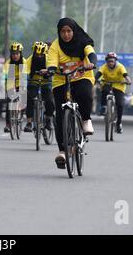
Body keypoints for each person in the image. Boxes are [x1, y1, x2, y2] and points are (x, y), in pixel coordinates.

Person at [47, 18, 97, 169]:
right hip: (61, 80)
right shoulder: (55, 46)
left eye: (69, 31)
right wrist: (50, 68)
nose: (66, 35)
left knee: (85, 94)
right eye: (63, 31)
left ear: (74, 31)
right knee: (60, 116)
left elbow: (91, 53)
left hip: (82, 76)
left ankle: (86, 120)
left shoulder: (83, 41)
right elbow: (52, 61)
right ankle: (62, 151)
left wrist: (91, 62)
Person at [94, 52, 132, 134]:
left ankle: (118, 123)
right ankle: (104, 106)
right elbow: (97, 75)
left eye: (112, 61)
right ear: (106, 62)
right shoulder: (103, 67)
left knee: (120, 104)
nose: (110, 63)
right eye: (108, 61)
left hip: (119, 85)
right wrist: (93, 80)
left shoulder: (120, 67)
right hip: (107, 83)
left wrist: (128, 80)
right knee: (104, 91)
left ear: (115, 61)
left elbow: (126, 75)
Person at [24, 41, 55, 132]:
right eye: (37, 54)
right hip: (33, 81)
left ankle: (48, 119)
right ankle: (29, 122)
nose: (39, 56)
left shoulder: (49, 59)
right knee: (30, 98)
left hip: (46, 82)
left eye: (41, 55)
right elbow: (25, 71)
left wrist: (49, 71)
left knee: (49, 100)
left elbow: (53, 69)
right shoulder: (29, 60)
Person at [2, 42, 27, 133]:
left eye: (17, 54)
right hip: (11, 83)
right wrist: (3, 78)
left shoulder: (24, 62)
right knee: (9, 103)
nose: (15, 56)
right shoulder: (8, 62)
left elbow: (25, 75)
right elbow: (4, 72)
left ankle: (22, 112)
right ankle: (8, 125)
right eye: (13, 54)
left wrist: (23, 87)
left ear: (20, 53)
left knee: (24, 98)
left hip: (21, 82)